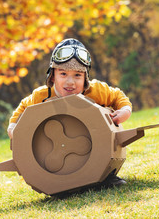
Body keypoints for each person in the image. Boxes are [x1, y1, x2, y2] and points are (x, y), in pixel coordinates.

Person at [7, 38, 132, 187]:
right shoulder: (42, 95)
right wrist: (14, 127)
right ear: (53, 76)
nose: (70, 82)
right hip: (59, 159)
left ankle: (106, 177)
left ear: (85, 77)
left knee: (103, 153)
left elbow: (118, 96)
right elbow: (22, 108)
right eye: (63, 74)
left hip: (94, 147)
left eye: (77, 75)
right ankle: (56, 183)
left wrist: (124, 111)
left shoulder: (95, 90)